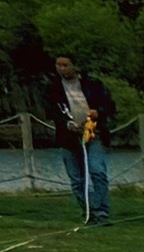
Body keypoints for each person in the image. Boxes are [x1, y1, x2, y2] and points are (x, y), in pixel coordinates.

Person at [45, 53, 117, 224]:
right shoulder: (53, 88)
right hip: (68, 138)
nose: (62, 69)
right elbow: (51, 111)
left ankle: (101, 213)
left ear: (74, 66)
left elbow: (109, 106)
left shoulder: (93, 84)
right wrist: (67, 123)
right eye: (58, 65)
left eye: (65, 65)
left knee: (97, 171)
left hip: (94, 134)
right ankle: (88, 212)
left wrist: (98, 112)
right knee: (77, 179)